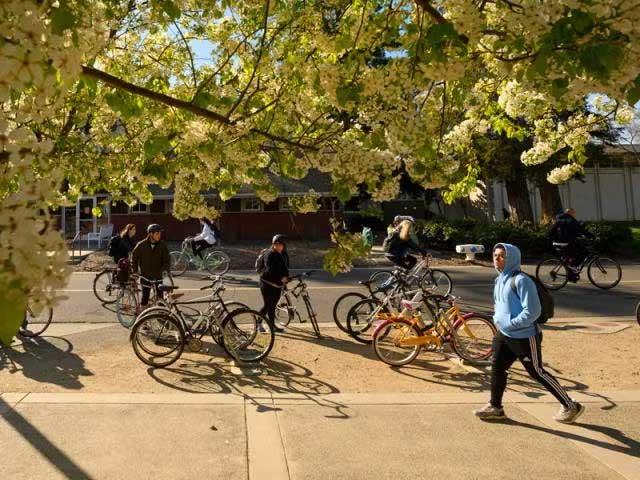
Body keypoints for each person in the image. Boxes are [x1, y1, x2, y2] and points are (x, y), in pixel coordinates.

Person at [474, 243, 584, 423]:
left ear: (512, 258)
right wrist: (498, 320)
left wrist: (511, 324)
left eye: (502, 256)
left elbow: (533, 311)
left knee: (537, 372)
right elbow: (499, 304)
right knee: (497, 367)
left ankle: (571, 405)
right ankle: (495, 407)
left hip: (525, 336)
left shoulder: (521, 280)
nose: (497, 259)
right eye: (495, 255)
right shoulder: (498, 279)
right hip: (504, 334)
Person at [548, 208, 594, 280]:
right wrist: (591, 236)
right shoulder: (571, 220)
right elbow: (581, 229)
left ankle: (571, 273)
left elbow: (568, 231)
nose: (575, 215)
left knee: (572, 255)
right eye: (574, 213)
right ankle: (573, 268)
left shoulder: (558, 219)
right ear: (571, 213)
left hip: (557, 243)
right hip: (565, 243)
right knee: (583, 252)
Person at [132, 224, 170, 308]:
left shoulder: (162, 245)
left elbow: (167, 261)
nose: (159, 236)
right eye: (157, 233)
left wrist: (164, 272)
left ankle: (161, 315)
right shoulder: (141, 245)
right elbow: (134, 258)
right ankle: (143, 317)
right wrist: (135, 271)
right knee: (145, 297)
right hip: (146, 276)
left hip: (158, 276)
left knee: (160, 298)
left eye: (160, 233)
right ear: (150, 234)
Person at [259, 234, 289, 333]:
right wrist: (282, 278)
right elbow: (270, 270)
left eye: (280, 243)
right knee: (268, 305)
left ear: (284, 245)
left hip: (277, 284)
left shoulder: (284, 254)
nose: (278, 245)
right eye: (276, 243)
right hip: (267, 283)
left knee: (273, 305)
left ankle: (272, 326)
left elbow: (285, 268)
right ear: (273, 244)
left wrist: (285, 281)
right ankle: (258, 323)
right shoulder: (269, 254)